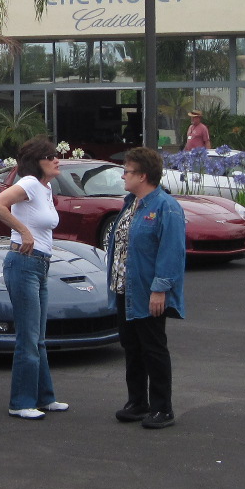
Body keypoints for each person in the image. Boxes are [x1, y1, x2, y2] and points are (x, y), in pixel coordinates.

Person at [0, 137, 68, 420]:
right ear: (38, 162)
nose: (57, 160)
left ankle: (45, 398)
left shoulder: (45, 189)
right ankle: (20, 403)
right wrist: (24, 232)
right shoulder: (30, 183)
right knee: (28, 338)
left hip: (40, 265)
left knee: (39, 338)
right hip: (23, 264)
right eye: (51, 156)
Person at [105, 146, 186, 428]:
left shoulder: (165, 207)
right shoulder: (131, 204)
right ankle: (138, 401)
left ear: (142, 175)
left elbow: (171, 251)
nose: (123, 176)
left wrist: (160, 288)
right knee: (131, 346)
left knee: (153, 347)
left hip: (148, 291)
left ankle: (163, 408)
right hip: (124, 289)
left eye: (126, 171)